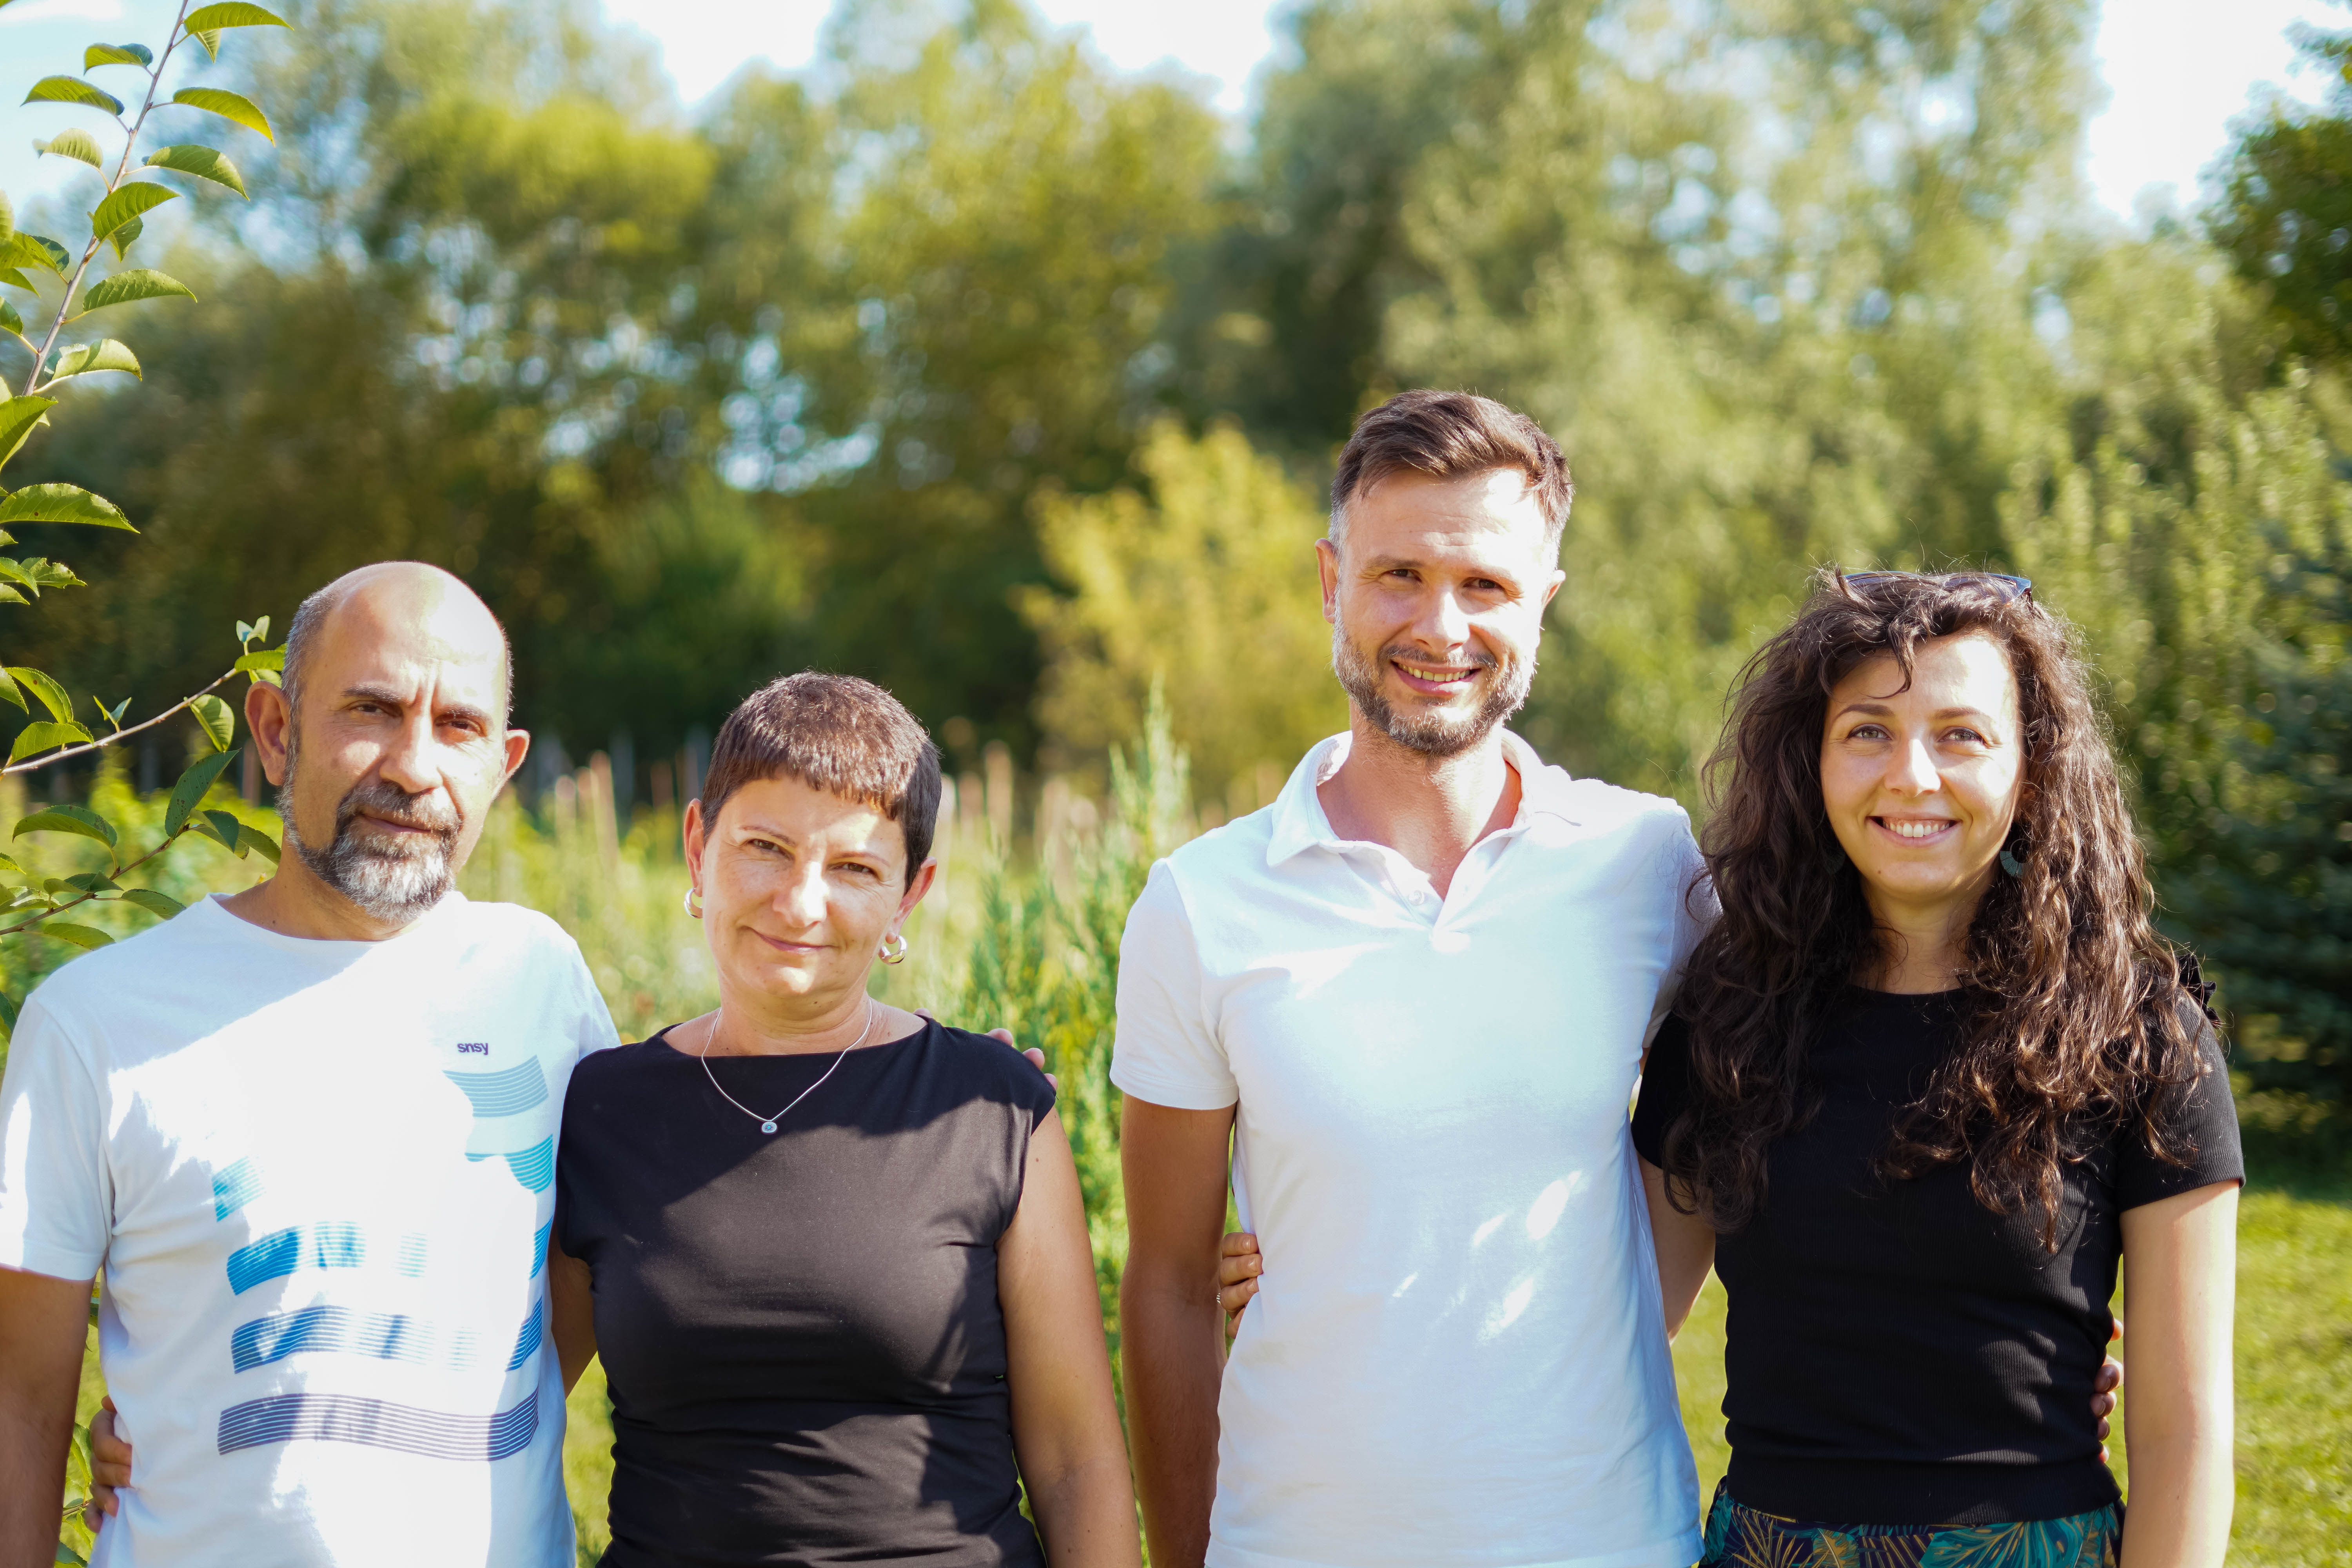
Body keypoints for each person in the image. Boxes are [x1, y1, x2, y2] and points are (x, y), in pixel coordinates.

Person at [1112, 390, 1711, 1568]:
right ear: (1333, 582)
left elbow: (1803, 1102)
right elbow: (1172, 1285)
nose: (1441, 625)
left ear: (1544, 599)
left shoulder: (1646, 864)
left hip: (1609, 1542)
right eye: (1399, 576)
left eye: (1485, 584)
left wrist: (1992, 1335)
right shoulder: (1201, 902)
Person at [0, 562, 617, 1567]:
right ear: (277, 729)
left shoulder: (540, 980)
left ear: (503, 766)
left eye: (457, 725)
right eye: (371, 708)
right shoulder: (96, 1022)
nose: (415, 765)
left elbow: (588, 1271)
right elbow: (16, 1405)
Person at [1631, 570, 2238, 1564]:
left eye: (1962, 734)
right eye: (1868, 729)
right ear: (1810, 762)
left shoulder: (2137, 1031)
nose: (1912, 775)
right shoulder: (1727, 1020)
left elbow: (2186, 1431)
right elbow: (1618, 1319)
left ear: (2032, 770)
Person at [548, 671, 1140, 1568]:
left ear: (911, 891)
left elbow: (1077, 1462)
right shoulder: (602, 1111)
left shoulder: (989, 1106)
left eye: (856, 868)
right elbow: (510, 1414)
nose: (800, 902)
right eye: (765, 847)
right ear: (698, 843)